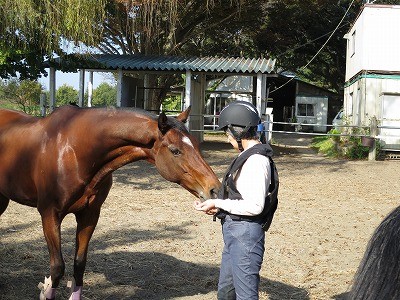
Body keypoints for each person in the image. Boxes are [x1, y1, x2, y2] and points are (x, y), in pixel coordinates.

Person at [194, 100, 279, 300]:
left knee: (245, 296)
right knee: (226, 293)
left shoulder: (256, 161)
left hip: (246, 235)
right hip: (235, 233)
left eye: (227, 134)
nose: (228, 139)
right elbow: (240, 198)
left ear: (237, 131)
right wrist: (219, 208)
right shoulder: (248, 156)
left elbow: (255, 206)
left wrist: (218, 203)